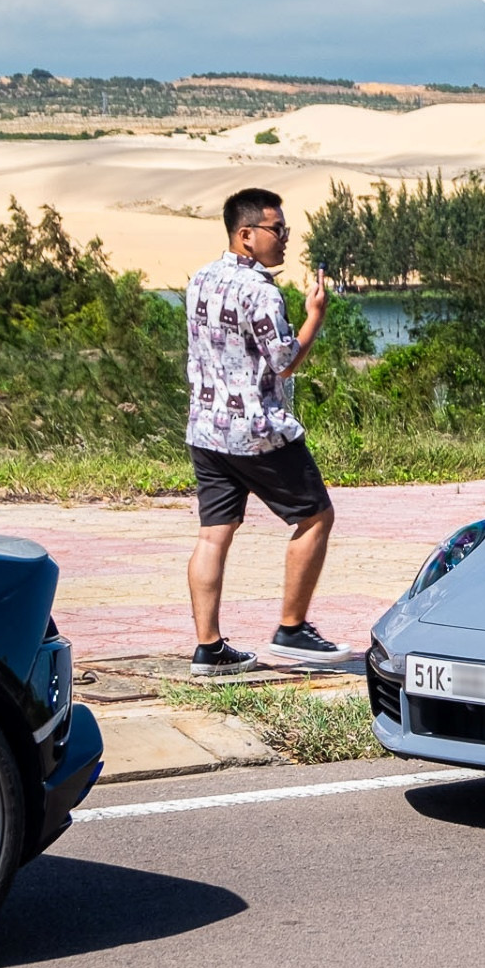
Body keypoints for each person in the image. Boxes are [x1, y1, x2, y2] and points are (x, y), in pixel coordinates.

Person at [183, 188, 355, 675]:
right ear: (246, 235)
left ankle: (209, 648)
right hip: (258, 432)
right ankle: (292, 628)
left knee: (213, 536)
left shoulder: (200, 279)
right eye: (276, 230)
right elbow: (284, 362)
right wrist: (315, 316)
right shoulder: (260, 290)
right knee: (316, 517)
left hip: (206, 431)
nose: (284, 239)